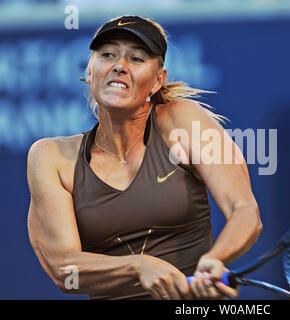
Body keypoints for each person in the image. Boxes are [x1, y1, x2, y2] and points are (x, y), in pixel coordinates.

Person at [26, 15, 262, 300]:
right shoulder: (50, 156)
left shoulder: (182, 121)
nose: (119, 66)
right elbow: (64, 268)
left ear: (157, 81)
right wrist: (138, 267)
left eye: (136, 59)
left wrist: (215, 258)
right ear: (90, 70)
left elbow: (245, 211)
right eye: (108, 54)